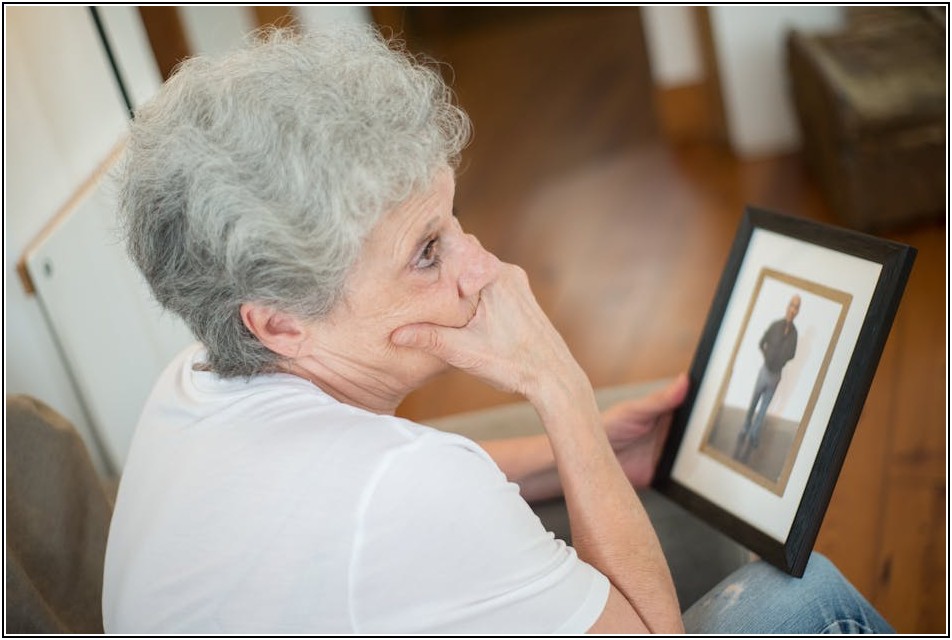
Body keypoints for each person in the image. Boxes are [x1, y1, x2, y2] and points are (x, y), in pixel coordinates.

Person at [102, 26, 892, 634]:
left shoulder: (192, 381)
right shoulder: (402, 488)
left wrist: (581, 453)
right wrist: (561, 387)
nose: (484, 267)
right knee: (806, 598)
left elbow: (384, 485)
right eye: (426, 252)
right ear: (281, 323)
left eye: (451, 222)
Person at [736, 294, 801, 462]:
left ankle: (753, 434)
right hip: (764, 372)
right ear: (787, 306)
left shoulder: (794, 334)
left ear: (798, 311)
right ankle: (745, 427)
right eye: (792, 305)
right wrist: (767, 356)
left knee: (764, 408)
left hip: (776, 376)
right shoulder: (775, 325)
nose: (793, 309)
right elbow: (762, 342)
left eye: (796, 307)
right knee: (754, 402)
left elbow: (792, 354)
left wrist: (781, 360)